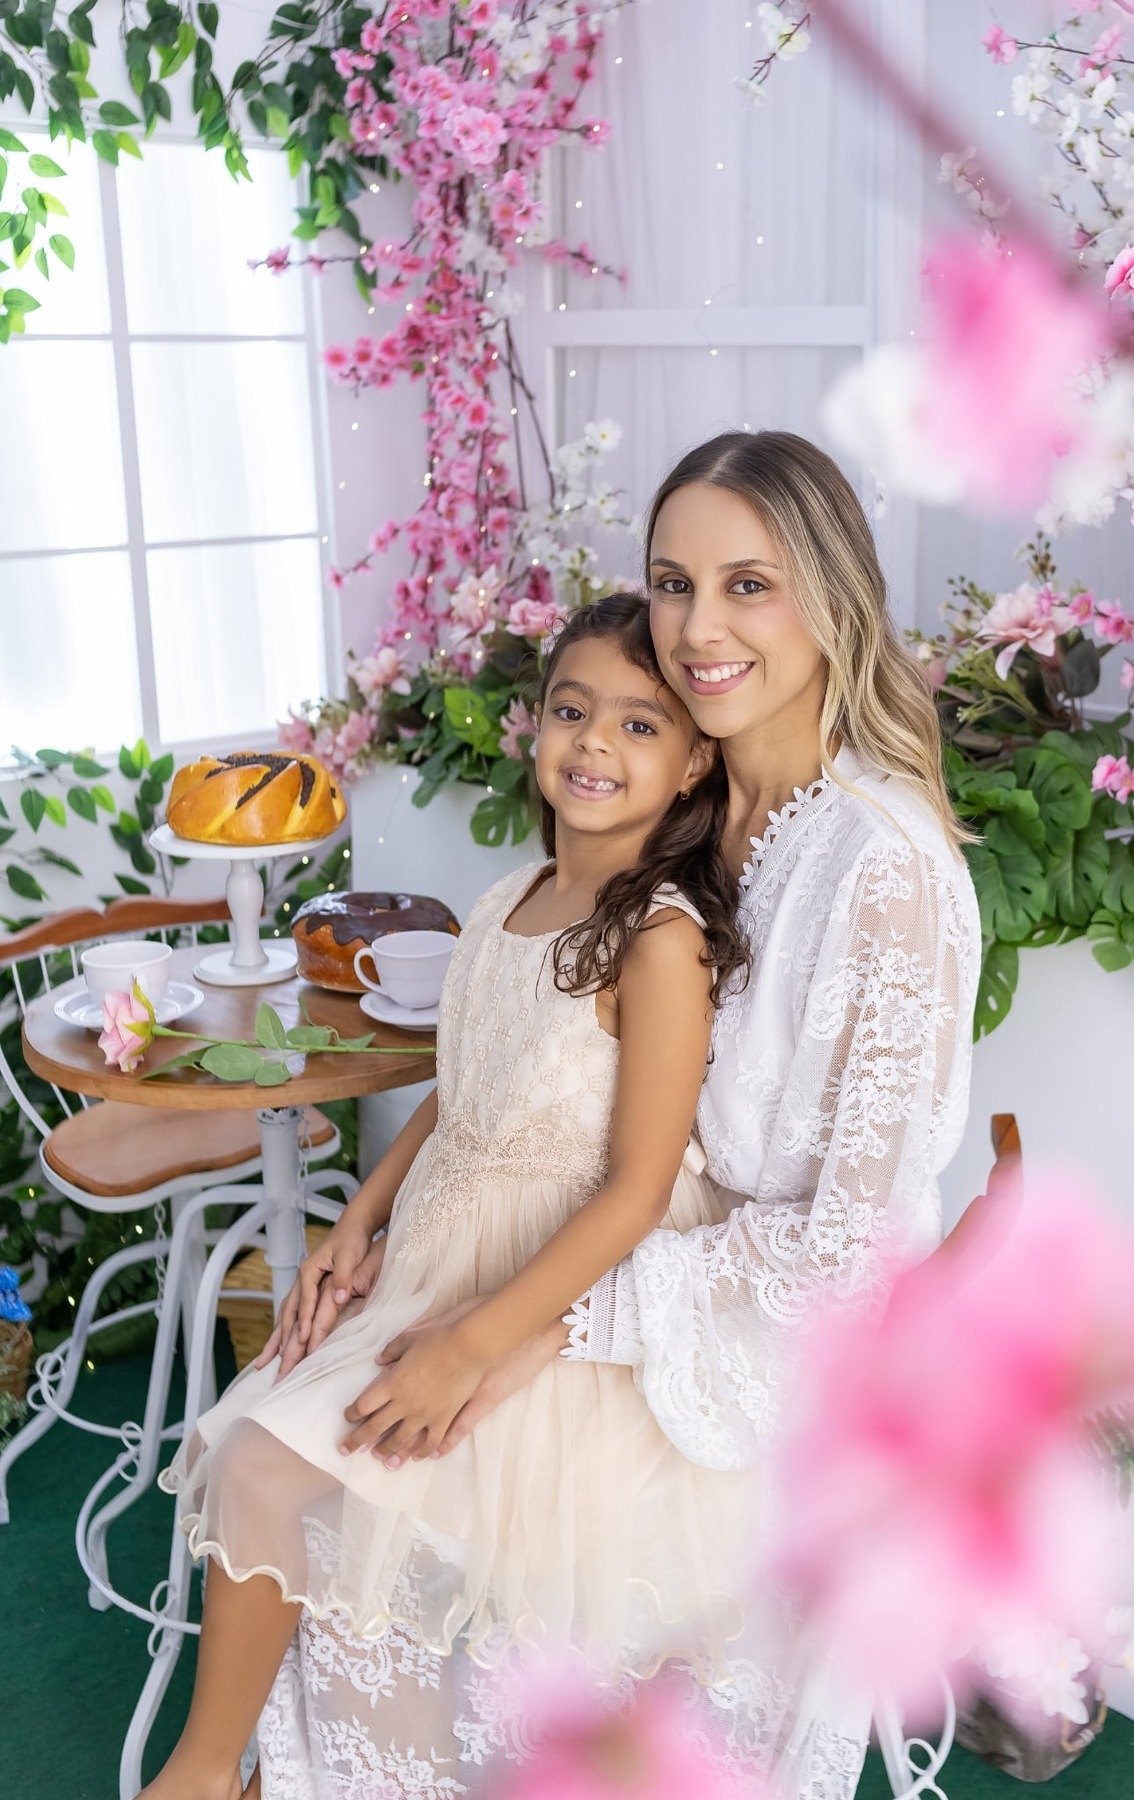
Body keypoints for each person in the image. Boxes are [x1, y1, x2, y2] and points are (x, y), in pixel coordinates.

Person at [263, 430, 981, 1799]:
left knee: (403, 1475)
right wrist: (375, 1219)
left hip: (768, 1365)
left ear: (832, 599)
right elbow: (532, 1055)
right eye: (672, 581)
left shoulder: (881, 868)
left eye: (748, 585)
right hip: (628, 1276)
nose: (699, 629)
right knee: (346, 1455)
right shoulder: (708, 811)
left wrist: (522, 1336)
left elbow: (851, 1251)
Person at [144, 592, 760, 1800]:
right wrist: (360, 1221)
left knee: (292, 1477)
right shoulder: (503, 901)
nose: (595, 744)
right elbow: (459, 1085)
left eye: (643, 726)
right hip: (434, 1250)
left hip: (549, 1299)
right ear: (536, 727)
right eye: (576, 711)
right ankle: (233, 1767)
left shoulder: (660, 938)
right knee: (259, 1451)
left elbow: (640, 1190)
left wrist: (473, 1346)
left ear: (695, 763)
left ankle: (211, 1774)